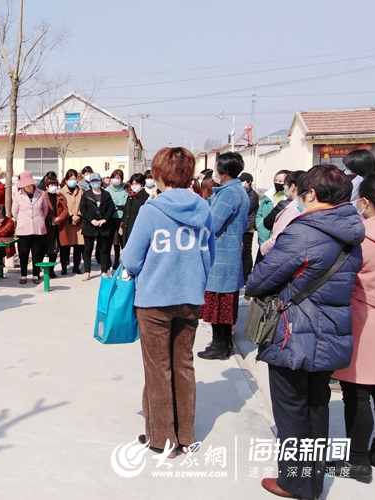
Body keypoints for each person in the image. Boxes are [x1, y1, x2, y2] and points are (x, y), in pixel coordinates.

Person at [245, 165, 364, 500]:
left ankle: (296, 483)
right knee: (316, 408)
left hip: (294, 334)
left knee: (293, 412)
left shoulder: (304, 232)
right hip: (331, 333)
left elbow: (257, 281)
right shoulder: (352, 232)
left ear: (311, 194)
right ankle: (310, 482)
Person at [121, 147, 215, 459]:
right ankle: (186, 436)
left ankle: (163, 439)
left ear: (159, 176)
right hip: (190, 297)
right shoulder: (204, 209)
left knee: (157, 369)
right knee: (183, 365)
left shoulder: (152, 210)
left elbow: (131, 259)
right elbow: (209, 256)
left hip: (155, 301)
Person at [331, 173, 375, 482]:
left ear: (364, 201)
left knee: (357, 393)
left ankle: (358, 460)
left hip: (364, 319)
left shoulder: (358, 234)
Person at [198, 152, 249, 360]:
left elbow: (212, 223)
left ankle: (220, 345)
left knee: (219, 304)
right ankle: (223, 343)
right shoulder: (237, 190)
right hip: (228, 253)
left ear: (224, 171)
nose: (215, 172)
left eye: (217, 168)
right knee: (223, 305)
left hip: (221, 256)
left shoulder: (229, 193)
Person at [12, 171, 48, 284]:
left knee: (37, 252)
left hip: (38, 226)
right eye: (25, 184)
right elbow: (15, 212)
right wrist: (23, 220)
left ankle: (36, 275)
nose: (28, 186)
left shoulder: (41, 193)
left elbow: (45, 210)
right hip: (23, 228)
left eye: (29, 184)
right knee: (23, 253)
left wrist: (39, 219)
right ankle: (23, 275)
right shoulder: (18, 195)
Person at [259, 170, 305, 257]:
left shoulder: (288, 206)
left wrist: (263, 248)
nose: (283, 187)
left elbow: (276, 237)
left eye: (283, 184)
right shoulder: (310, 205)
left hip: (278, 252)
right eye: (275, 180)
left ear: (292, 186)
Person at [80, 172, 114, 281]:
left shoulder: (106, 195)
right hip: (90, 226)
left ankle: (104, 271)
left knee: (104, 249)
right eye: (93, 181)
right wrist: (91, 220)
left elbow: (110, 208)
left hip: (103, 225)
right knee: (87, 249)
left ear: (100, 181)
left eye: (97, 181)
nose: (95, 183)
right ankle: (87, 271)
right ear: (90, 183)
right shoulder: (86, 195)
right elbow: (83, 209)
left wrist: (104, 219)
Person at [256, 169, 290, 261]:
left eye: (280, 181)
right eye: (275, 180)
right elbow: (259, 214)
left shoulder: (288, 199)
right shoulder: (268, 197)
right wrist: (260, 227)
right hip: (264, 237)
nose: (277, 183)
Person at [59, 169, 85, 275]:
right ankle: (64, 266)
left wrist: (78, 216)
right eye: (71, 179)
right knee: (65, 246)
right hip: (66, 223)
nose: (73, 181)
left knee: (78, 246)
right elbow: (61, 208)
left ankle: (76, 266)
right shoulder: (61, 192)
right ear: (66, 180)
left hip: (78, 223)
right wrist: (70, 217)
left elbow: (83, 206)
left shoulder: (80, 192)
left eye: (75, 179)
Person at [44, 176, 69, 279]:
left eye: (55, 185)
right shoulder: (43, 196)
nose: (54, 187)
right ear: (47, 186)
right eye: (51, 185)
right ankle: (43, 271)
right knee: (46, 248)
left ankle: (52, 270)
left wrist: (60, 218)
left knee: (55, 249)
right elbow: (42, 210)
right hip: (47, 226)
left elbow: (65, 210)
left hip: (59, 226)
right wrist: (52, 218)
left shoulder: (59, 196)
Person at [238, 172, 259, 284]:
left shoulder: (252, 195)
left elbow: (246, 209)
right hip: (241, 226)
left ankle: (246, 276)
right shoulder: (241, 192)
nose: (241, 183)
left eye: (243, 181)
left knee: (246, 252)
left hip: (247, 227)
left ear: (249, 182)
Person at [105, 169, 128, 269]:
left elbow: (125, 202)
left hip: (121, 218)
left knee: (119, 241)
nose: (115, 180)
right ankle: (107, 261)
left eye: (118, 178)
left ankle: (118, 261)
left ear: (121, 179)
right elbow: (108, 204)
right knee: (109, 241)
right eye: (114, 177)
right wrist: (118, 203)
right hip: (109, 218)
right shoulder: (107, 190)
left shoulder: (125, 190)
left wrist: (115, 203)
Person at [120, 173, 149, 248]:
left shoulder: (146, 198)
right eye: (132, 184)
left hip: (138, 230)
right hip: (127, 228)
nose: (134, 186)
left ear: (142, 184)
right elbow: (126, 211)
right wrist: (122, 223)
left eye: (136, 183)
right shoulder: (130, 197)